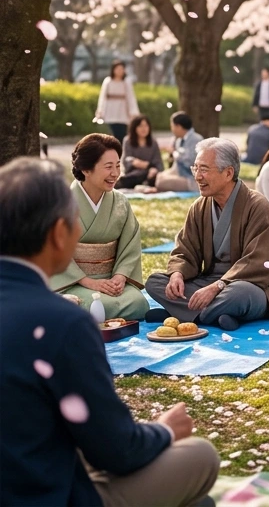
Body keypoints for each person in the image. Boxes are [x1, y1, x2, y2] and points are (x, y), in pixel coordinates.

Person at [0, 158, 219, 507]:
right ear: (59, 233)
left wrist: (117, 276)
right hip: (43, 494)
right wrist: (163, 430)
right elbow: (115, 450)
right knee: (200, 457)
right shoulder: (63, 323)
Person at [145, 139, 269, 330]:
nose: (198, 177)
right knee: (155, 282)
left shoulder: (257, 206)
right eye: (196, 169)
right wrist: (177, 275)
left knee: (240, 294)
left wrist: (219, 286)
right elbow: (185, 250)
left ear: (228, 173)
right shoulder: (199, 207)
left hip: (252, 285)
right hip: (207, 283)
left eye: (205, 169)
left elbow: (260, 262)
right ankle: (219, 316)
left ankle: (185, 313)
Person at [49, 134, 148, 320]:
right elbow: (54, 250)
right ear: (86, 169)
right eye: (108, 167)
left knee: (138, 303)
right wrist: (88, 282)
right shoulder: (61, 204)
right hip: (72, 282)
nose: (115, 173)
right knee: (93, 306)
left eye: (118, 165)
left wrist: (120, 277)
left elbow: (130, 245)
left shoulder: (120, 202)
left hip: (111, 281)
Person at [155, 111, 202, 193]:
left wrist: (175, 153)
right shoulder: (179, 140)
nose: (172, 129)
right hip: (179, 173)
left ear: (179, 126)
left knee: (160, 182)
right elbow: (176, 166)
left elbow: (189, 162)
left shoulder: (196, 139)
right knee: (159, 177)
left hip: (191, 179)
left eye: (172, 126)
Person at [95, 60, 140, 142]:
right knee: (110, 135)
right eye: (118, 69)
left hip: (122, 113)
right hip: (110, 111)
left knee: (121, 135)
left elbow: (131, 97)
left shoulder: (126, 82)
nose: (120, 71)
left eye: (122, 69)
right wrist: (100, 111)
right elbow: (102, 97)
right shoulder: (108, 81)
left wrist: (133, 112)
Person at [117, 114, 162, 190]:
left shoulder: (153, 143)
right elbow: (126, 160)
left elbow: (158, 162)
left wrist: (153, 169)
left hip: (150, 173)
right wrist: (136, 163)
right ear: (134, 128)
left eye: (146, 126)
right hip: (133, 173)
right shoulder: (128, 141)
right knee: (137, 175)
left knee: (153, 176)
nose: (144, 129)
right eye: (140, 126)